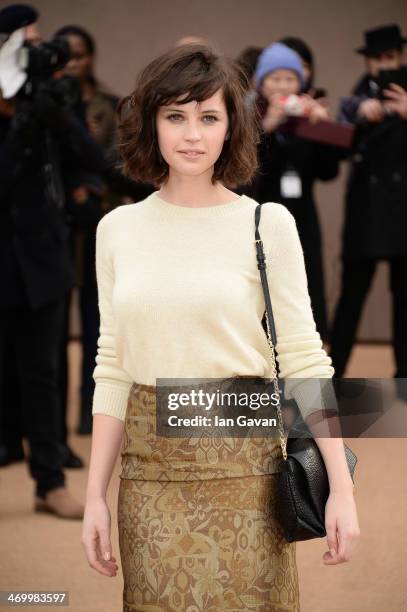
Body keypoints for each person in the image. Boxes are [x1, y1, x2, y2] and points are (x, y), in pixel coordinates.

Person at [81, 44, 360, 610]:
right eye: (175, 116)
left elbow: (306, 360)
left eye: (209, 117)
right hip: (149, 478)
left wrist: (343, 490)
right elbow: (112, 363)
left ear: (231, 126)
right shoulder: (117, 229)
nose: (192, 135)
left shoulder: (265, 223)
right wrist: (95, 497)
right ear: (150, 124)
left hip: (248, 477)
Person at [0, 3, 110, 518]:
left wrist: (49, 114)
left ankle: (48, 481)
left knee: (43, 371)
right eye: (25, 41)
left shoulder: (45, 98)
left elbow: (90, 156)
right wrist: (20, 123)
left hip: (42, 256)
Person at [238, 42, 340, 342]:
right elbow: (244, 172)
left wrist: (322, 130)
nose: (283, 85)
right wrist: (267, 126)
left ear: (302, 82)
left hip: (303, 218)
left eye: (290, 79)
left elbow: (329, 172)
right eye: (275, 79)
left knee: (305, 288)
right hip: (260, 216)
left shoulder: (309, 117)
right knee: (262, 290)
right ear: (260, 83)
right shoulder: (250, 118)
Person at [329, 24, 407, 401]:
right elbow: (334, 150)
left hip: (402, 213)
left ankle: (405, 380)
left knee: (404, 299)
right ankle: (334, 376)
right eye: (377, 58)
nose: (383, 65)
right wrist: (359, 116)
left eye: (390, 57)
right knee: (351, 297)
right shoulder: (355, 100)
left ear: (401, 57)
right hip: (365, 212)